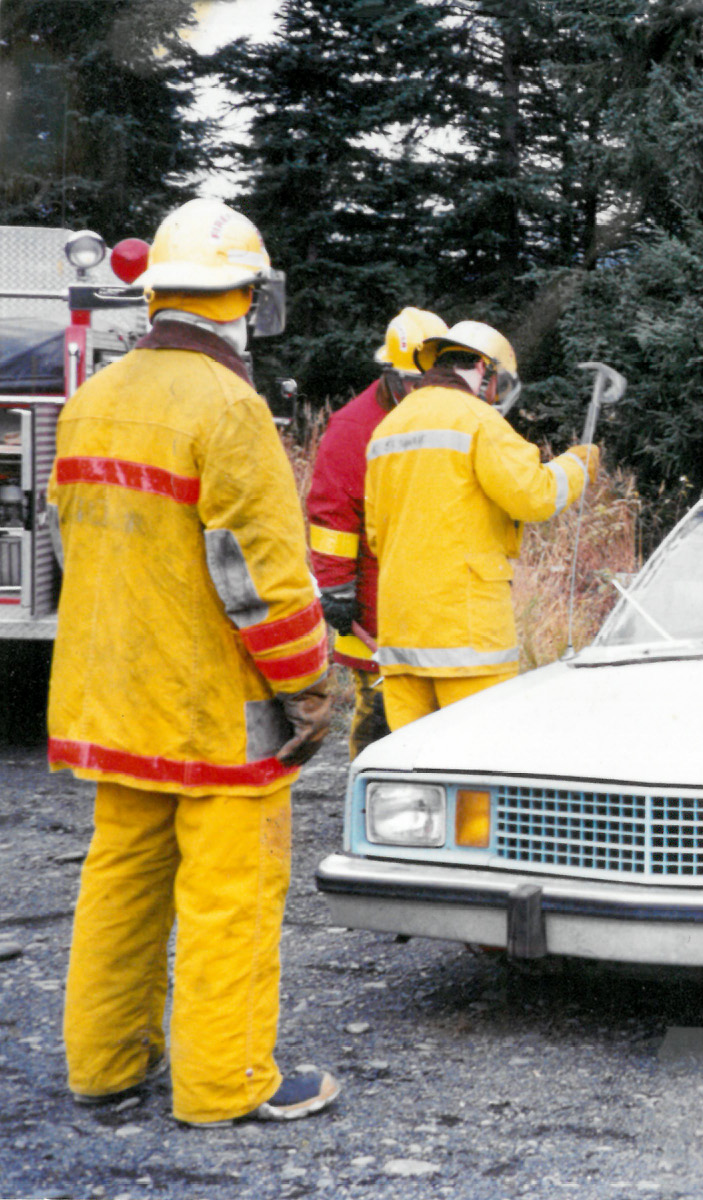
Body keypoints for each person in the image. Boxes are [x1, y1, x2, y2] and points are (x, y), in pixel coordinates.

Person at [47, 198, 341, 1125]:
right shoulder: (229, 406)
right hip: (215, 713)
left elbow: (69, 544)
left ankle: (105, 1065)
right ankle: (224, 1085)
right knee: (230, 897)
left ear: (156, 296)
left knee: (121, 883)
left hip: (113, 699)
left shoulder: (91, 402)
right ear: (248, 298)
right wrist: (309, 687)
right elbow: (262, 576)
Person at [365, 321, 599, 730]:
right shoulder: (477, 420)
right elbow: (535, 496)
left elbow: (374, 534)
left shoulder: (388, 428)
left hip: (400, 633)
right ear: (481, 368)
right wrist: (577, 465)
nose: (496, 394)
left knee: (409, 761)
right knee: (475, 757)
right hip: (468, 636)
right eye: (498, 383)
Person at [307, 307, 449, 757]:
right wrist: (337, 590)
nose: (422, 395)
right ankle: (368, 792)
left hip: (434, 596)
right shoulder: (354, 428)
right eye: (413, 384)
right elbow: (332, 516)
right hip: (372, 602)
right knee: (380, 714)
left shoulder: (450, 416)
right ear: (390, 374)